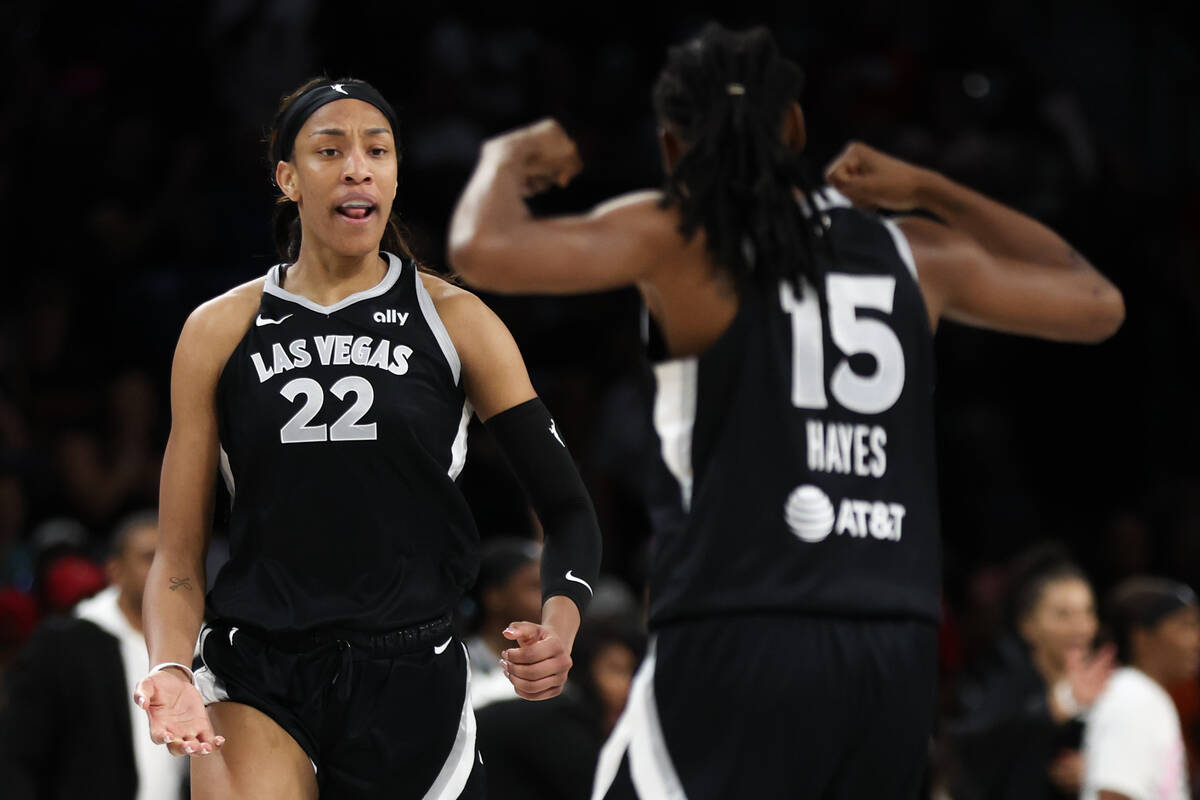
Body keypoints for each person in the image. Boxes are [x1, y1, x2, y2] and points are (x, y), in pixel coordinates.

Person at [448, 23, 1125, 799]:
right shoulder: (914, 252)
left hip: (739, 622)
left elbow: (481, 248)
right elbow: (1097, 302)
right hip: (893, 646)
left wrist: (508, 158)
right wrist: (932, 190)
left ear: (672, 148)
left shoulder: (682, 234)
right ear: (797, 128)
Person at [133, 77, 602, 800]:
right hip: (259, 664)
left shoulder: (457, 320)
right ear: (288, 178)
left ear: (392, 174)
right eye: (331, 150)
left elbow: (568, 509)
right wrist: (169, 667)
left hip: (412, 671)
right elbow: (177, 552)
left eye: (376, 151)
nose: (358, 167)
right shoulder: (217, 330)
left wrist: (561, 628)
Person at [0, 511, 186, 800]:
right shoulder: (64, 644)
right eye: (150, 557)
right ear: (115, 570)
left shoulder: (201, 647)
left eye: (173, 559)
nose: (165, 570)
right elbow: (19, 753)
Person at [945, 546, 1114, 799]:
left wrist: (1096, 772)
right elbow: (970, 751)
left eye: (1088, 611)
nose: (1080, 626)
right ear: (1027, 625)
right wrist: (1056, 708)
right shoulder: (1001, 683)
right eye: (1063, 614)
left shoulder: (1108, 685)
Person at [476, 619, 644, 800]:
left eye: (632, 672)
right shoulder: (562, 721)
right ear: (586, 669)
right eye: (616, 670)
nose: (628, 685)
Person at [1082, 577, 1199, 800]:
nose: (1197, 641)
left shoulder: (1146, 695)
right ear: (1142, 637)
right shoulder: (1133, 699)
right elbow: (1113, 795)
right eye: (1186, 626)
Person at [463, 536, 544, 709]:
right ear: (494, 597)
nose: (547, 599)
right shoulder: (461, 663)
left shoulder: (562, 655)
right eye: (534, 587)